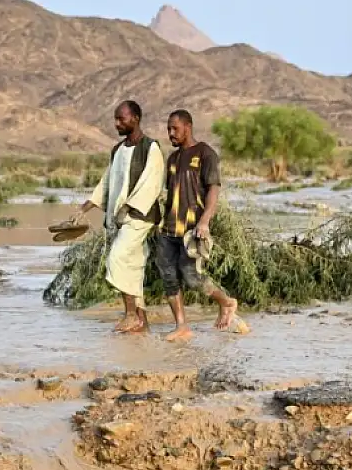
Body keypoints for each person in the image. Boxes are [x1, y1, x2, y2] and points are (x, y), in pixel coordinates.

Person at [158, 109, 246, 341]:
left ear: (188, 127)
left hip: (192, 229)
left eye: (174, 128)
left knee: (191, 277)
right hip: (168, 229)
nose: (170, 133)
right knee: (168, 277)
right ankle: (182, 326)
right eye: (168, 129)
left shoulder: (206, 154)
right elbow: (170, 193)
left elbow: (213, 191)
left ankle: (226, 302)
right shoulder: (173, 158)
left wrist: (204, 222)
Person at [80, 100, 165, 333]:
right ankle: (142, 322)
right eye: (116, 119)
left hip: (140, 217)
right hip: (120, 218)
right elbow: (107, 182)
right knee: (133, 266)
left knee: (116, 258)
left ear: (135, 118)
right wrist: (87, 206)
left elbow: (152, 183)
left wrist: (128, 208)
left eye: (121, 119)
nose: (117, 123)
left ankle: (129, 314)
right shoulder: (117, 150)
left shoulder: (151, 147)